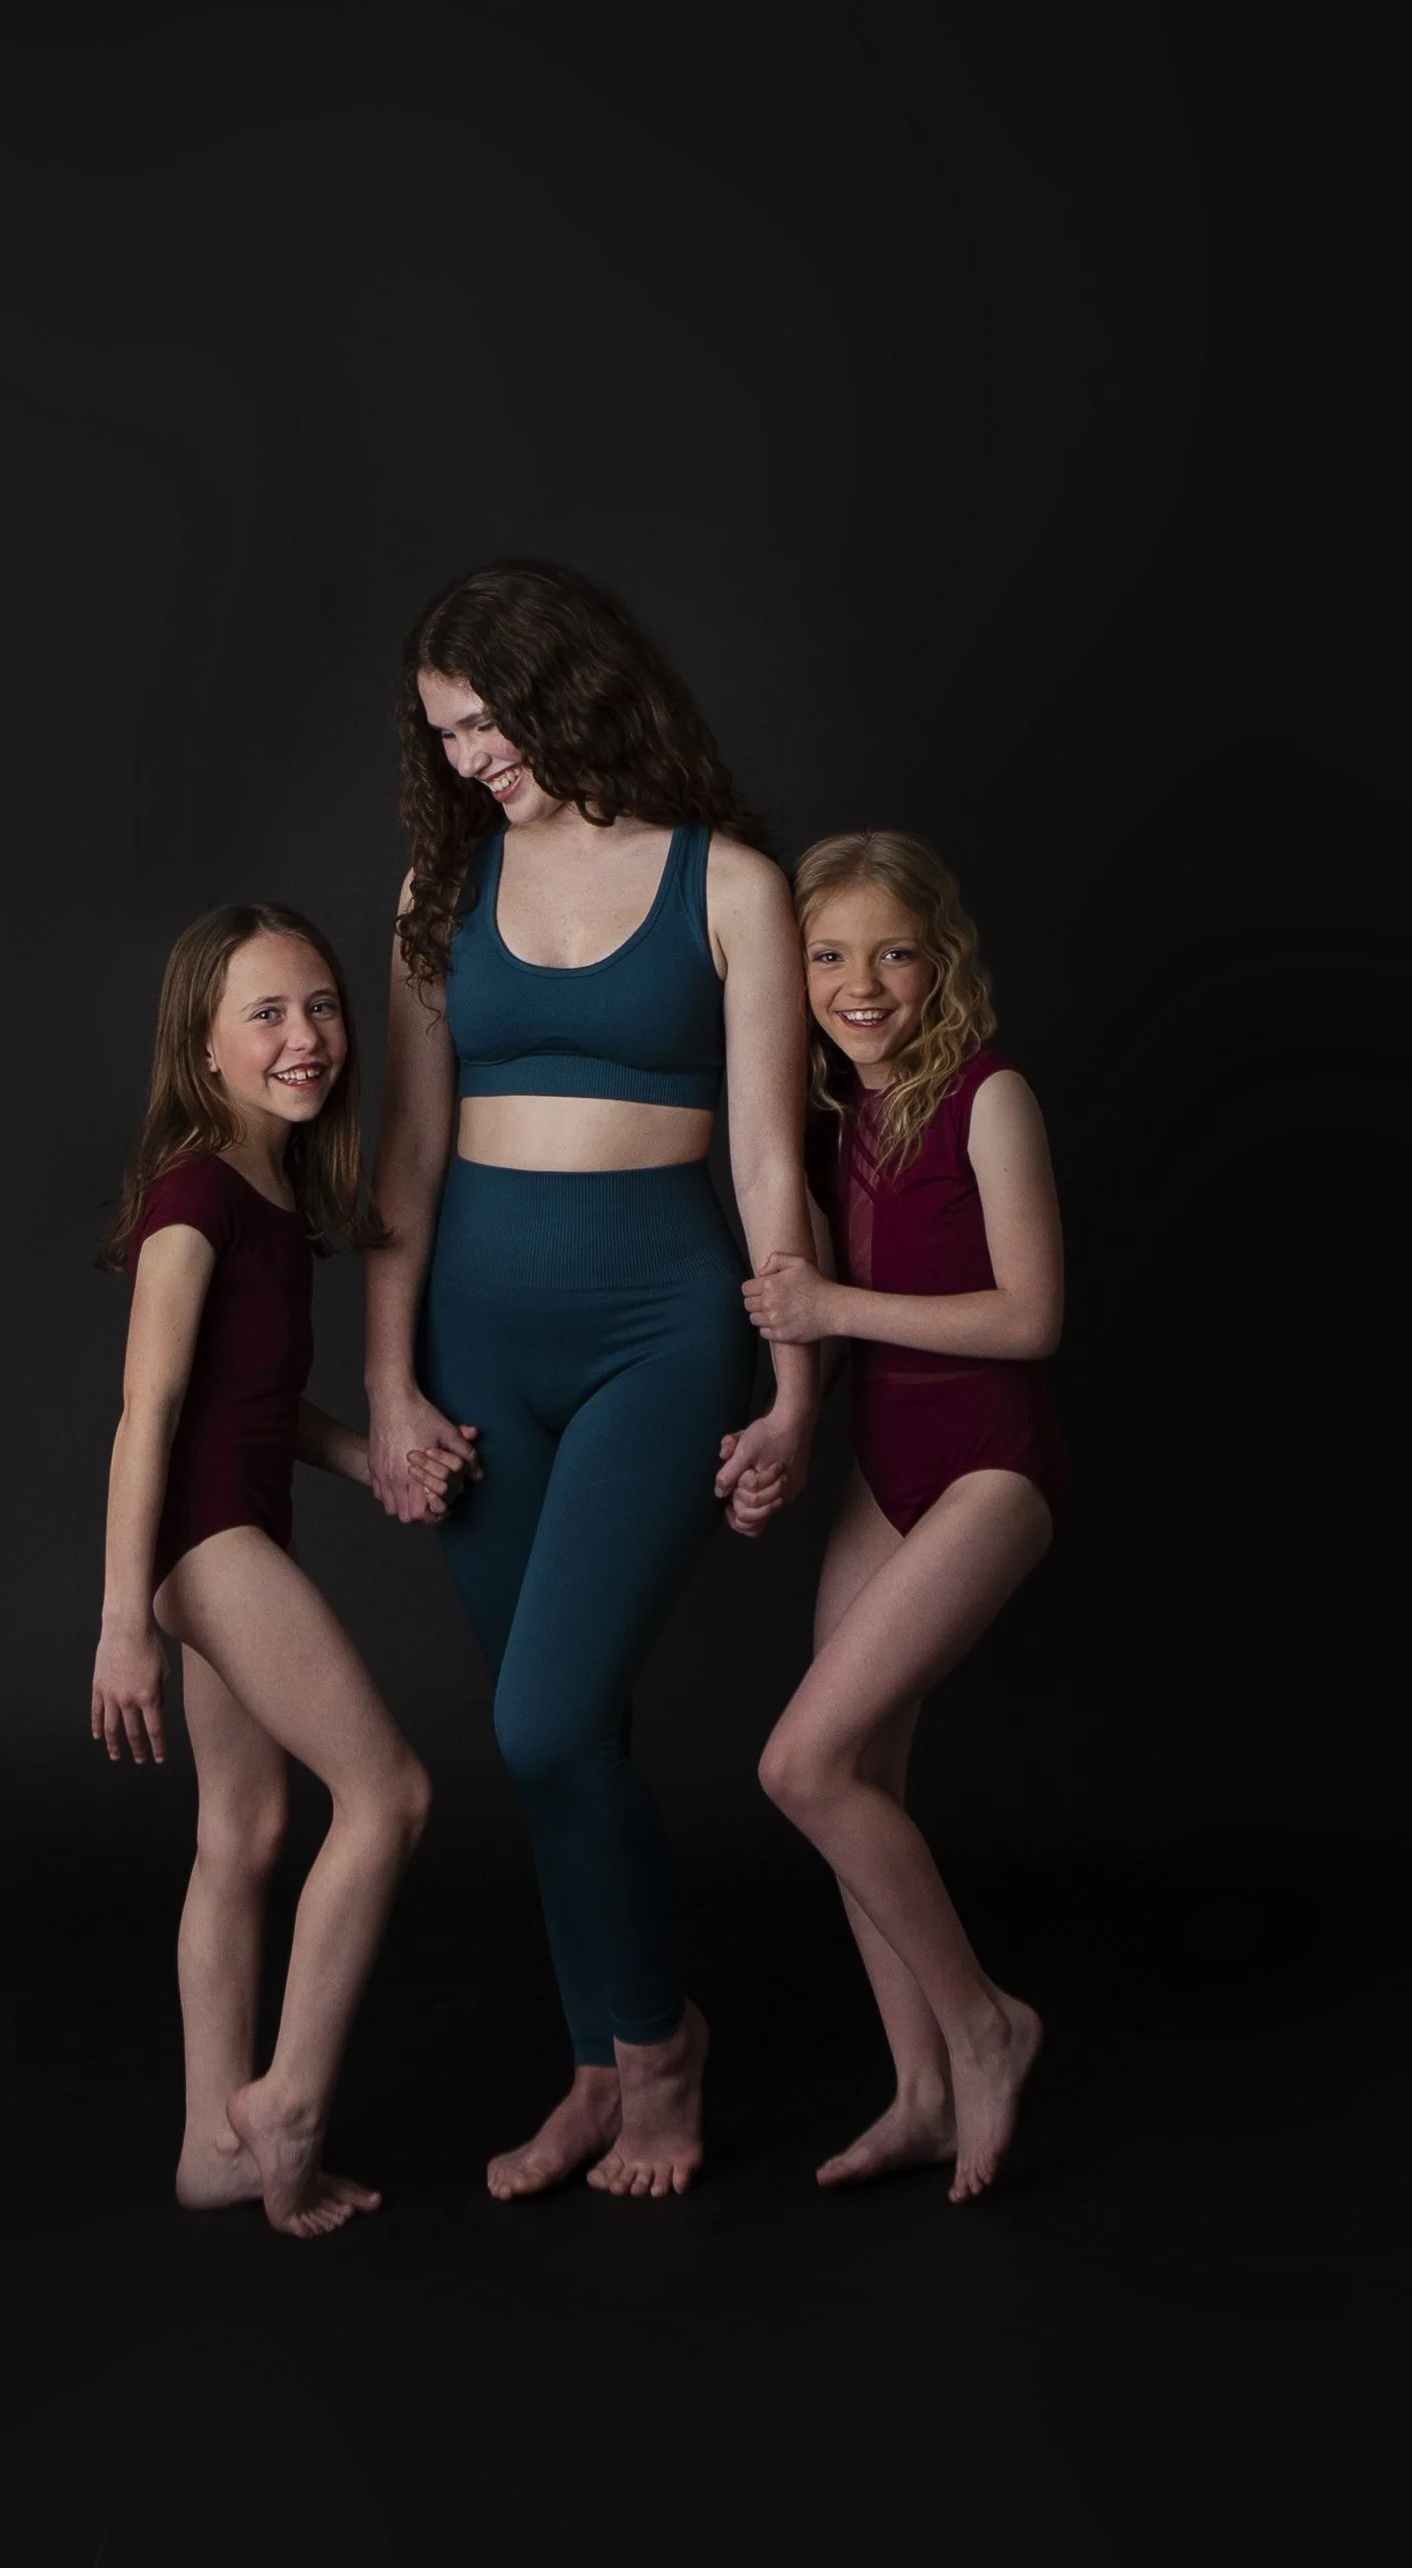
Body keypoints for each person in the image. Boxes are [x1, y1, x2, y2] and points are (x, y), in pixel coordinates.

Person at [366, 561, 817, 2201]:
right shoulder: (440, 886)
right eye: (444, 732)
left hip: (658, 1333)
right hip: (477, 1342)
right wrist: (392, 1382)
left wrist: (794, 1386)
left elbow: (770, 1158)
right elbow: (403, 1160)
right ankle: (596, 2065)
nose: (469, 755)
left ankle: (661, 2047)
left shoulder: (732, 886)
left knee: (546, 1714)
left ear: (565, 690)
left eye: (484, 720)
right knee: (566, 1737)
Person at [92, 903, 446, 2238]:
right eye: (266, 1015)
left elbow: (255, 1405)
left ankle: (207, 2146)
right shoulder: (194, 1195)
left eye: (320, 1006)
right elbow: (150, 1410)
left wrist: (375, 1462)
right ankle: (285, 2101)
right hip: (203, 1543)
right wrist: (126, 1618)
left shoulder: (270, 1191)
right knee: (390, 1793)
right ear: (204, 1048)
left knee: (241, 1835)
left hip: (232, 1528)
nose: (305, 1038)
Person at [743, 830, 1065, 2203]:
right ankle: (920, 2093)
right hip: (881, 1473)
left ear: (940, 963)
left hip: (989, 1469)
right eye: (827, 954)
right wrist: (783, 1420)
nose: (858, 982)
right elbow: (798, 1324)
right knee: (856, 1780)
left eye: (890, 951)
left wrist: (828, 1310)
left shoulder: (989, 1097)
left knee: (799, 1765)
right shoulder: (825, 1118)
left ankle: (987, 2026)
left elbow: (1030, 1318)